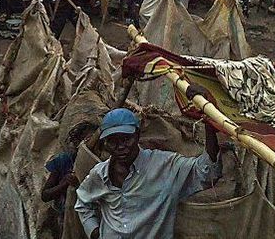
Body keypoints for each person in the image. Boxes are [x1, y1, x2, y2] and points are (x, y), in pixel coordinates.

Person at [75, 102, 221, 239]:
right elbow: (83, 202)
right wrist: (94, 232)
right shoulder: (100, 174)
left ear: (137, 135)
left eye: (126, 139)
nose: (120, 147)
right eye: (113, 141)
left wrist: (208, 120)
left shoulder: (165, 166)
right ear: (105, 144)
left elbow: (206, 171)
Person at [42, 121, 99, 224]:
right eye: (88, 140)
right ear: (77, 143)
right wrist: (64, 184)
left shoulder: (101, 163)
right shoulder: (64, 161)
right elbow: (45, 195)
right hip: (66, 218)